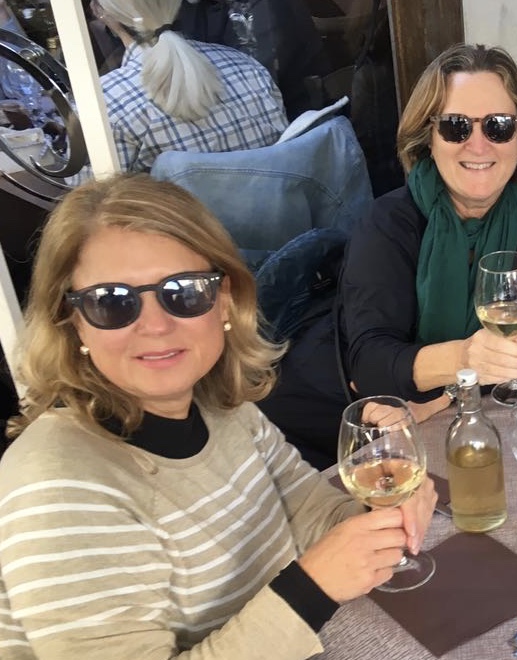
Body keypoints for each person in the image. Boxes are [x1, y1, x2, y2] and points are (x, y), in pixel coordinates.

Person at [0, 174, 438, 658]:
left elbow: (313, 513)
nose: (156, 325)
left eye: (184, 292)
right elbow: (316, 578)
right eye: (113, 302)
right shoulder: (57, 488)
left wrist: (384, 512)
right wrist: (313, 587)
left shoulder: (226, 412)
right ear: (72, 320)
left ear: (224, 300)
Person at [258, 43, 517, 469]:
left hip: (433, 415)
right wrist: (464, 361)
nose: (478, 145)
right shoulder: (388, 222)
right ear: (429, 140)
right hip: (322, 426)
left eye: (497, 126)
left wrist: (444, 395)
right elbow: (371, 364)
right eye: (456, 127)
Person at [91, 0, 287, 173]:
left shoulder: (102, 102)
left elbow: (93, 195)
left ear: (102, 12)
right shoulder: (248, 67)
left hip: (186, 207)